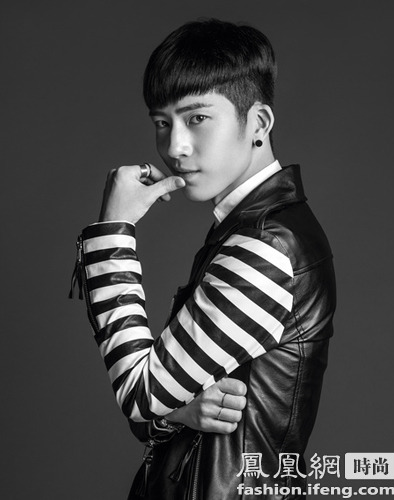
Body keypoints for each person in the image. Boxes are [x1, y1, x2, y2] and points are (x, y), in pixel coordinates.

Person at [71, 18, 336, 500]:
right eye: (162, 123)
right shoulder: (248, 228)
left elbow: (140, 395)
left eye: (196, 118)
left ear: (258, 124)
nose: (174, 147)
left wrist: (113, 231)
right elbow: (152, 410)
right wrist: (174, 410)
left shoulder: (265, 246)